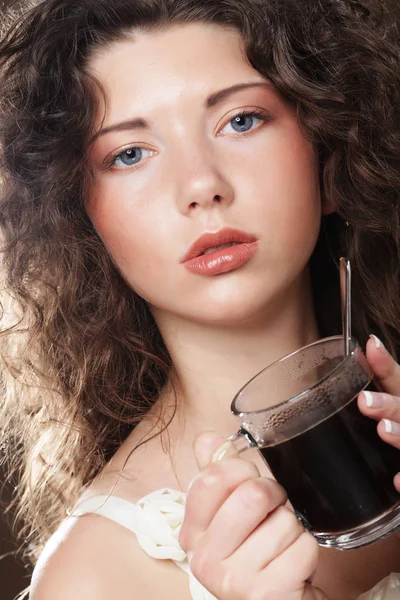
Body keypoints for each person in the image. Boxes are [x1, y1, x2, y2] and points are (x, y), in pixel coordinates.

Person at [0, 0, 400, 598]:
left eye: (240, 120)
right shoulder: (94, 577)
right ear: (83, 220)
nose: (201, 186)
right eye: (129, 154)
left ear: (327, 148)